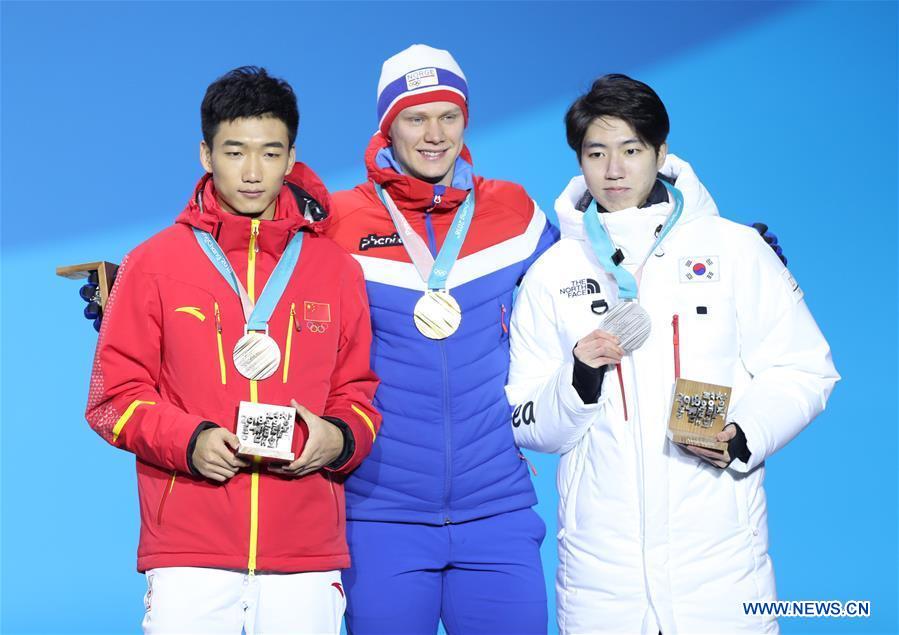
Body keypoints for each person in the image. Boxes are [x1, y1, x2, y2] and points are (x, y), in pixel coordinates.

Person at [505, 74, 838, 634]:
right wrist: (580, 378)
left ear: (661, 153)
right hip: (601, 574)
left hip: (722, 565)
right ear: (578, 159)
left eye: (631, 150)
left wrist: (743, 435)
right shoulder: (553, 272)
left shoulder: (734, 249)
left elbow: (805, 368)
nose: (614, 170)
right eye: (597, 153)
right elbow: (525, 418)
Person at [85, 66, 380, 634]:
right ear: (205, 154)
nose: (251, 172)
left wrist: (339, 437)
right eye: (234, 151)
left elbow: (359, 393)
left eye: (270, 153)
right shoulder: (153, 263)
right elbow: (112, 399)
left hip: (305, 549)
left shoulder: (336, 269)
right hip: (190, 544)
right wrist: (189, 442)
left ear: (292, 158)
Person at [288, 45, 559, 634]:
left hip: (498, 510)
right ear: (388, 126)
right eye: (415, 118)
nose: (434, 135)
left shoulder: (513, 212)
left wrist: (713, 253)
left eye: (449, 116)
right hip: (380, 513)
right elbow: (258, 288)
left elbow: (594, 286)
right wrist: (136, 297)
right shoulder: (339, 222)